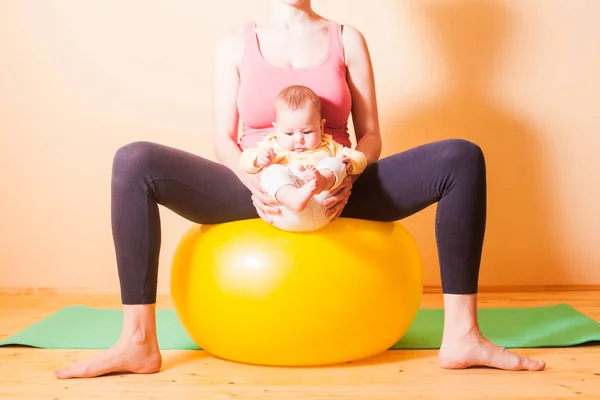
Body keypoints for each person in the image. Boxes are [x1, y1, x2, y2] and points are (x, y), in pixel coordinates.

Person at [55, 0, 545, 379]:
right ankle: (137, 342)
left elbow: (370, 135)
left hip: (335, 182)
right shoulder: (234, 42)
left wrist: (344, 175)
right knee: (134, 160)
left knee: (461, 156)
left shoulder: (346, 37)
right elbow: (224, 139)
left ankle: (462, 336)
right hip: (256, 185)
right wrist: (256, 186)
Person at [240, 85, 367, 231]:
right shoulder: (272, 145)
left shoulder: (328, 145)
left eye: (307, 132)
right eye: (289, 134)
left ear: (321, 126)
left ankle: (321, 180)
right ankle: (292, 196)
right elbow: (244, 160)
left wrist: (350, 162)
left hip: (322, 204)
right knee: (271, 172)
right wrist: (258, 159)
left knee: (335, 162)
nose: (299, 139)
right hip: (284, 210)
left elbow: (361, 159)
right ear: (276, 129)